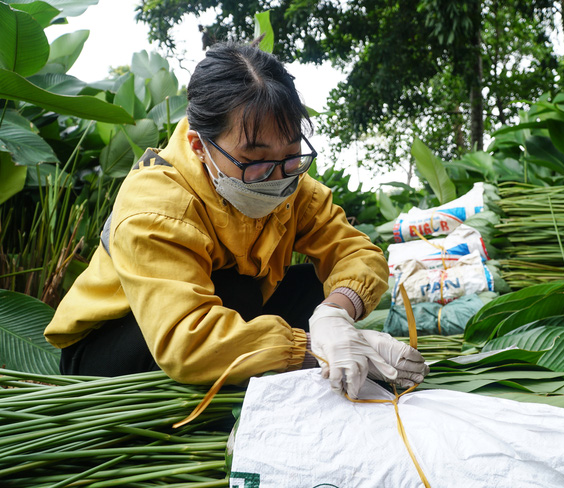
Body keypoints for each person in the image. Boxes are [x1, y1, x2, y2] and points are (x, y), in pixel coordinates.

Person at [44, 40, 428, 399]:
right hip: (116, 349)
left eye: (291, 155)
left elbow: (355, 252)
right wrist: (315, 349)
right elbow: (186, 340)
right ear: (199, 146)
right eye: (256, 160)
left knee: (314, 287)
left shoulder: (290, 184)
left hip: (225, 315)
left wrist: (335, 315)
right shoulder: (157, 204)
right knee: (238, 291)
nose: (278, 179)